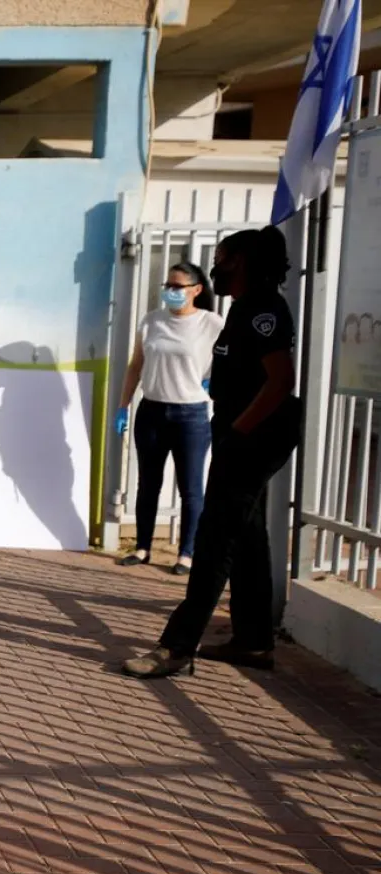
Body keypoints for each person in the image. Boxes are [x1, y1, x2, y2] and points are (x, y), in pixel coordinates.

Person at [125, 226, 302, 679]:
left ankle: (177, 647)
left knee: (214, 540)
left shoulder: (263, 309)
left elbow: (281, 381)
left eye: (221, 259)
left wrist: (238, 433)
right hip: (243, 431)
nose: (216, 267)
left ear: (239, 262)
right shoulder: (243, 308)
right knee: (247, 537)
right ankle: (254, 640)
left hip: (253, 436)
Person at [114, 262, 223, 575]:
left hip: (191, 414)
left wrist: (213, 382)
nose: (171, 292)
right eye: (168, 286)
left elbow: (231, 359)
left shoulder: (210, 323)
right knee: (148, 484)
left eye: (178, 287)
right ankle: (142, 547)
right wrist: (124, 405)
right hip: (152, 411)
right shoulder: (151, 321)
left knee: (190, 488)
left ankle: (186, 553)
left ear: (196, 290)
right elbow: (136, 365)